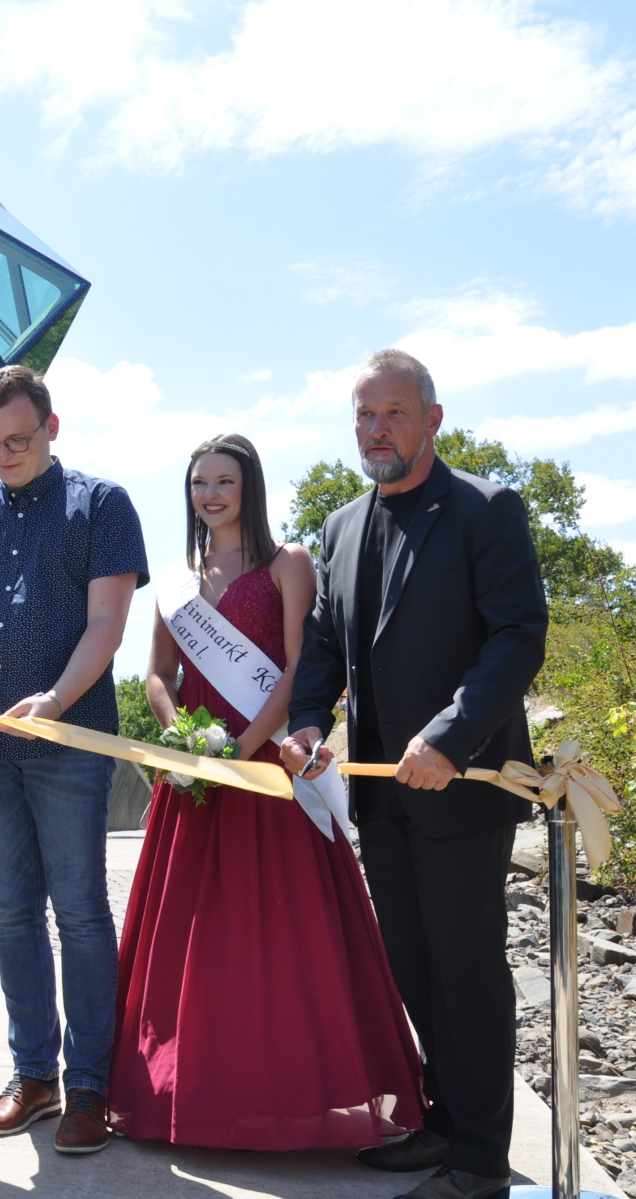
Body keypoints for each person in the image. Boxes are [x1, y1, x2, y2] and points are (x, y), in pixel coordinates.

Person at [284, 349, 548, 1199]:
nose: (377, 430)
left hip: (463, 786)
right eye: (364, 416)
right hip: (380, 794)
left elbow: (516, 638)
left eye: (393, 413)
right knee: (413, 964)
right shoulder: (342, 525)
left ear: (433, 418)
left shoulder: (485, 509)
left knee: (467, 968)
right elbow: (324, 644)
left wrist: (448, 733)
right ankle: (443, 1120)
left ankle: (481, 1162)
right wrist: (311, 722)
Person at [108, 434, 425, 1151]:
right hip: (200, 771)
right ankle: (196, 1089)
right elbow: (159, 673)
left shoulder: (289, 563)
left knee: (283, 932)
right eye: (198, 482)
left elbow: (297, 667)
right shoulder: (177, 578)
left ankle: (290, 1088)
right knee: (195, 937)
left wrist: (242, 749)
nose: (210, 493)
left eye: (225, 480)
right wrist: (186, 738)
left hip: (265, 765)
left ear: (248, 486)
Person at [0, 365, 147, 1156]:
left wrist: (52, 704)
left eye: (18, 439)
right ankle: (33, 1075)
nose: (4, 454)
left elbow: (107, 625)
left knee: (82, 910)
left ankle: (92, 1085)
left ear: (53, 426)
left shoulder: (103, 505)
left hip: (71, 742)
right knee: (12, 911)